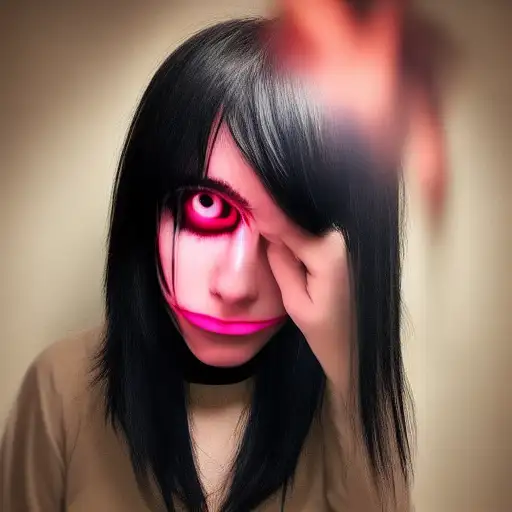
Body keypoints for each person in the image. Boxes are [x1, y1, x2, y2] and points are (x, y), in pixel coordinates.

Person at [1, 18, 413, 511]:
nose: (235, 285)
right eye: (208, 206)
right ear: (145, 206)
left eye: (289, 229)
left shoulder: (345, 409)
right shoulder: (60, 387)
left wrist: (352, 371)